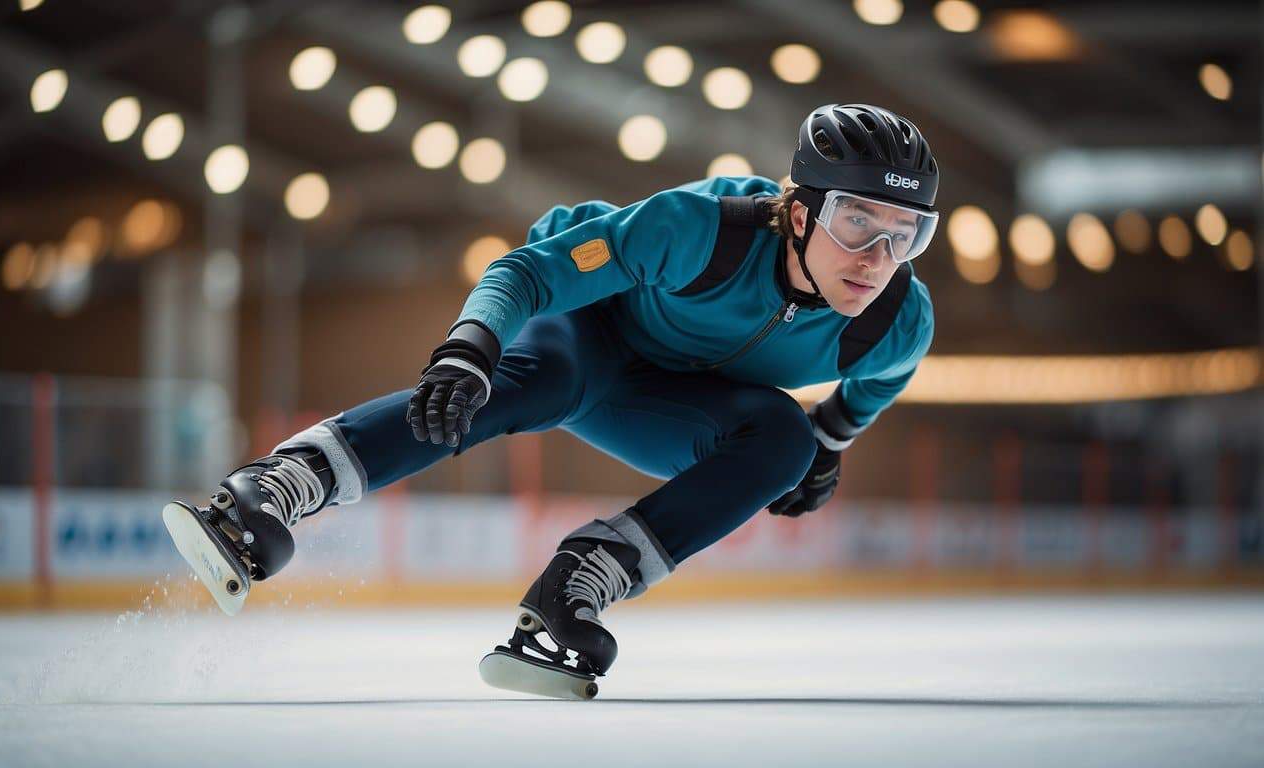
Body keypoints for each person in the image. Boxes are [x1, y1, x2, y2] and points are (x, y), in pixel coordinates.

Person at [163, 103, 939, 699]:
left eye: (905, 234)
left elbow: (879, 381)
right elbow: (526, 274)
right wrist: (471, 349)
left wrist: (831, 439)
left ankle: (582, 578)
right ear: (800, 213)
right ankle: (281, 484)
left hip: (669, 395)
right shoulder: (703, 231)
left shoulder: (897, 318)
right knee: (549, 380)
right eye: (855, 221)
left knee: (785, 443)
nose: (876, 257)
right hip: (587, 331)